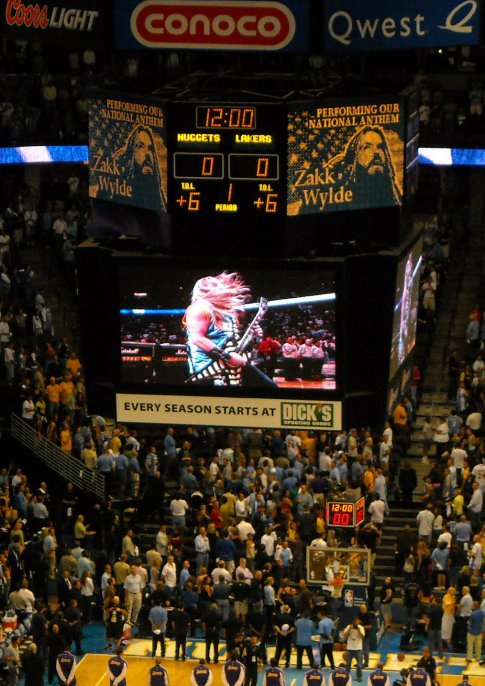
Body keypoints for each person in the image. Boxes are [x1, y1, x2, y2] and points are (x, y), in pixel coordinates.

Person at [183, 272, 274, 388]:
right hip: (209, 369)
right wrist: (228, 357)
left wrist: (254, 337)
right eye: (217, 286)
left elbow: (233, 341)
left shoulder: (229, 313)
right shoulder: (199, 308)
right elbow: (197, 339)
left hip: (233, 365)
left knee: (269, 387)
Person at [111, 124, 167, 211]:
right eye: (141, 146)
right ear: (132, 152)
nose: (148, 153)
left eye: (150, 148)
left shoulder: (159, 201)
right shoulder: (119, 196)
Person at [342, 617, 365, 682]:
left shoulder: (361, 627)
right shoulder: (348, 627)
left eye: (357, 621)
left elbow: (363, 636)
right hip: (350, 648)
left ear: (359, 622)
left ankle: (359, 676)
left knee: (359, 665)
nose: (356, 623)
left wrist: (358, 629)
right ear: (353, 622)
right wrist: (350, 628)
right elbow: (345, 636)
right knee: (348, 664)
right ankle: (346, 676)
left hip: (358, 649)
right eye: (354, 621)